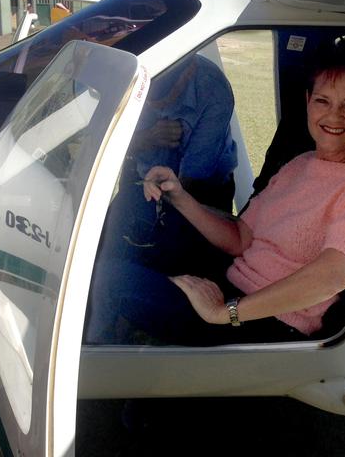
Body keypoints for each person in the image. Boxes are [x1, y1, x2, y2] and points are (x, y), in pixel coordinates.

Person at [98, 38, 345, 345]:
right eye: (323, 101)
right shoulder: (301, 163)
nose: (334, 116)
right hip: (231, 288)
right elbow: (242, 237)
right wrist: (179, 197)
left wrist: (226, 313)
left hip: (269, 323)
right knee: (136, 213)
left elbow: (332, 277)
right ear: (308, 100)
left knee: (106, 282)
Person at [85, 53, 238, 343]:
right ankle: (101, 338)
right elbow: (98, 139)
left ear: (186, 69)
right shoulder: (129, 74)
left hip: (202, 191)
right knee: (105, 259)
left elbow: (190, 184)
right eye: (149, 100)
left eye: (164, 99)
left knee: (171, 272)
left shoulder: (213, 90)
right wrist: (147, 137)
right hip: (140, 178)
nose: (156, 106)